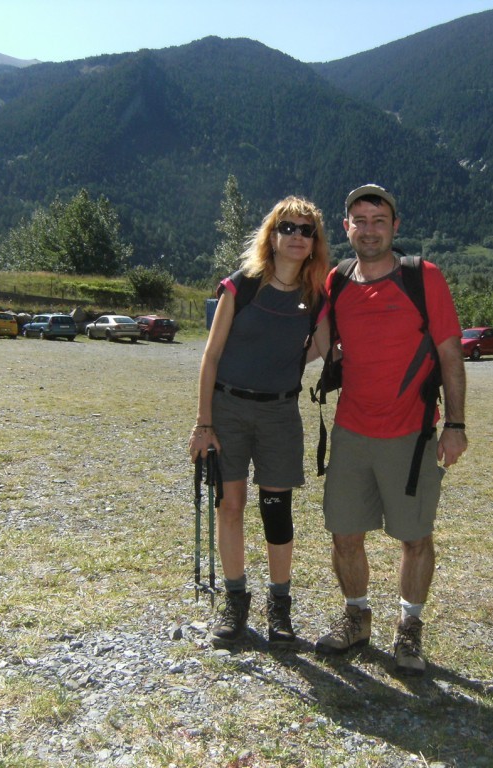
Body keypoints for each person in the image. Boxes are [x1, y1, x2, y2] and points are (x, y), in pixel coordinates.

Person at [312, 184, 467, 675]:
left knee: (415, 537)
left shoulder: (423, 278)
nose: (370, 228)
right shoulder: (336, 282)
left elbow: (450, 355)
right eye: (360, 219)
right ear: (347, 229)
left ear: (394, 227)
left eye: (379, 220)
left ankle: (410, 629)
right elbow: (318, 342)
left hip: (412, 432)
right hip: (351, 431)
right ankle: (357, 617)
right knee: (343, 533)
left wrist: (456, 424)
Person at [188, 195, 330, 647]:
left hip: (279, 413)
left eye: (306, 230)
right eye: (287, 227)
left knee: (277, 511)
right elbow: (210, 358)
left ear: (314, 243)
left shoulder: (316, 296)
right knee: (230, 506)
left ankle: (279, 609)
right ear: (272, 234)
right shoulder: (241, 286)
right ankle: (235, 603)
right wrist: (203, 424)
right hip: (227, 410)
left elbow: (325, 348)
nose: (296, 236)